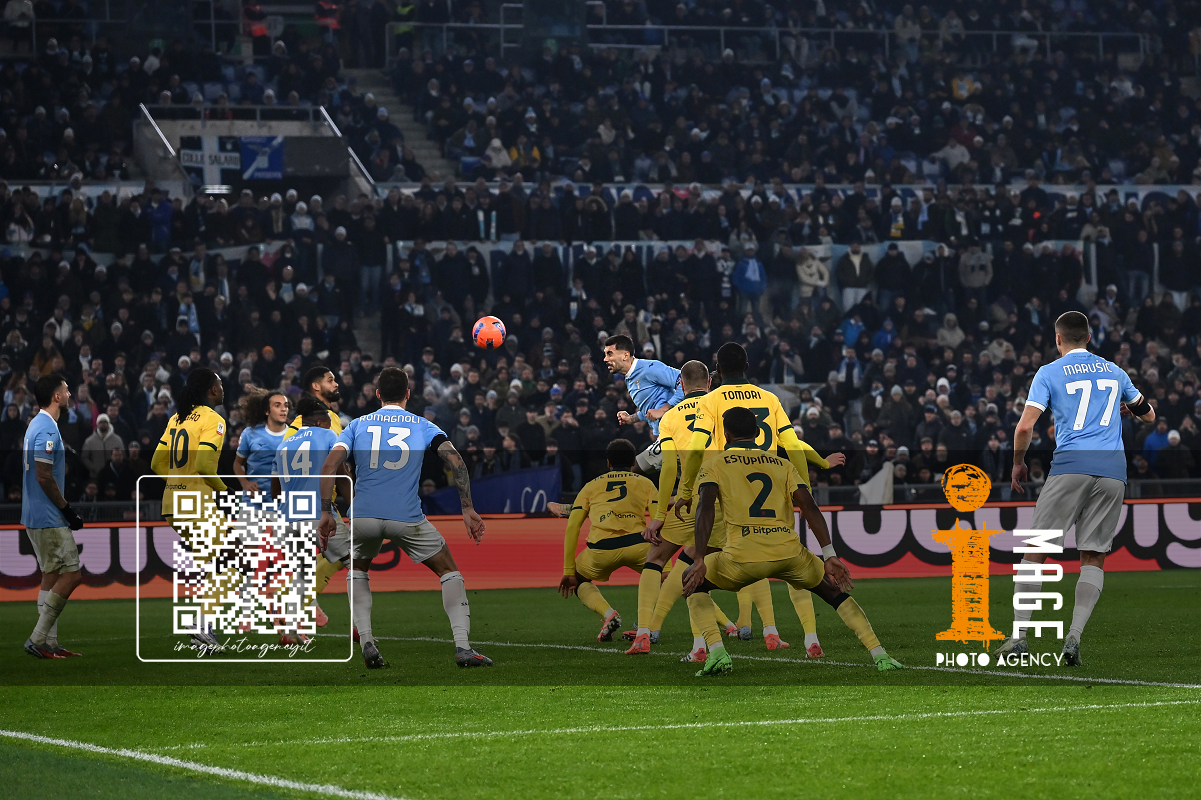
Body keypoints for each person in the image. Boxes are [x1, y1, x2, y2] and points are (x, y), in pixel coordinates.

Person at [680, 407, 904, 676]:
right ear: (758, 432)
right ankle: (880, 655)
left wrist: (699, 558)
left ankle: (716, 652)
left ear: (725, 434)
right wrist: (829, 554)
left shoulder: (715, 464)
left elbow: (705, 508)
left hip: (742, 557)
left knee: (691, 580)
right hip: (789, 554)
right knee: (834, 592)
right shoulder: (782, 464)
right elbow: (809, 507)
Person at [998, 311, 1155, 665]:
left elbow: (1024, 428)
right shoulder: (1115, 371)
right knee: (1093, 556)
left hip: (1071, 467)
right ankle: (1073, 637)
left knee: (1037, 550)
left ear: (1058, 339)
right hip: (1113, 472)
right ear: (1089, 337)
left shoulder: (1049, 372)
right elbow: (1148, 414)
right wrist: (1126, 409)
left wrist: (1018, 462)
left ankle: (1019, 638)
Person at [318, 367, 492, 669]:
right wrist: (467, 508)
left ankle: (367, 641)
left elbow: (330, 465)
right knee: (448, 571)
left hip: (363, 516)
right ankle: (463, 647)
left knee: (357, 569)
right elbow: (456, 460)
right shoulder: (423, 425)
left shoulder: (357, 425)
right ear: (408, 394)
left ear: (377, 394)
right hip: (406, 516)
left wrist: (325, 511)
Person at [675, 342, 842, 650]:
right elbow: (793, 445)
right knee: (788, 562)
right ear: (747, 367)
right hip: (774, 489)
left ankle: (703, 645)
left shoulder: (711, 400)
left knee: (694, 565)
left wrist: (686, 491)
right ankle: (804, 635)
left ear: (718, 370)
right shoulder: (770, 398)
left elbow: (697, 448)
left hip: (729, 490)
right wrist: (804, 486)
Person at [623, 360, 737, 661]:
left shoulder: (670, 417)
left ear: (681, 385)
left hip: (691, 500)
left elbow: (668, 469)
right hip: (726, 499)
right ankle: (704, 644)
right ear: (709, 383)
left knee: (656, 559)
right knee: (697, 567)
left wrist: (660, 515)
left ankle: (645, 633)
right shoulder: (722, 408)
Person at [150, 368, 229, 654]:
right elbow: (205, 465)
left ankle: (203, 627)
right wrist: (225, 491)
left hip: (172, 503)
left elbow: (156, 464)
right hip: (196, 503)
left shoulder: (177, 418)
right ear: (211, 390)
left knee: (216, 564)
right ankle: (202, 625)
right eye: (220, 384)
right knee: (230, 564)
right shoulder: (213, 419)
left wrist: (177, 483)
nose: (223, 388)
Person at [558, 439, 659, 643]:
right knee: (668, 580)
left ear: (608, 463)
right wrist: (664, 565)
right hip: (638, 545)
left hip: (601, 549)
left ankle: (609, 614)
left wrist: (568, 571)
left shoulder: (591, 486)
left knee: (579, 579)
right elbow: (658, 521)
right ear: (634, 462)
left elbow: (572, 527)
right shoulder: (646, 483)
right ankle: (649, 627)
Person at [22, 373, 86, 659]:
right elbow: (44, 475)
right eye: (67, 390)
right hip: (49, 516)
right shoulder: (47, 428)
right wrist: (66, 510)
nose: (70, 394)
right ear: (56, 396)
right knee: (72, 574)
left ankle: (49, 642)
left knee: (51, 573)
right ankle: (37, 639)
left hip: (34, 514)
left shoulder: (35, 424)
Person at [271, 395, 343, 646]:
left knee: (302, 572)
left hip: (287, 518)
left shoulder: (284, 444)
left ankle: (290, 630)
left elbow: (275, 490)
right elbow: (341, 473)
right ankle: (361, 627)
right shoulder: (327, 435)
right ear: (321, 421)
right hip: (318, 513)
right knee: (354, 558)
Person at [284, 365, 346, 628]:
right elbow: (337, 465)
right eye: (330, 380)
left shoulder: (301, 424)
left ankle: (296, 610)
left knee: (306, 562)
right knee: (348, 555)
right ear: (316, 387)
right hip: (319, 503)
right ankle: (298, 602)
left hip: (297, 506)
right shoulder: (319, 421)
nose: (336, 383)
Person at [602, 334, 683, 473]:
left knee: (630, 470)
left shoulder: (650, 368)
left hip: (677, 433)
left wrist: (664, 409)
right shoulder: (629, 377)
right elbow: (652, 408)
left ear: (625, 355)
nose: (605, 359)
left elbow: (685, 382)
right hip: (666, 436)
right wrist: (632, 418)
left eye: (610, 354)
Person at [234, 388, 290, 495]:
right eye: (277, 405)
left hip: (283, 502)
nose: (283, 409)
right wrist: (245, 483)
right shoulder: (250, 433)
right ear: (267, 411)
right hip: (254, 501)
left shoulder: (295, 435)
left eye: (286, 405)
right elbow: (238, 463)